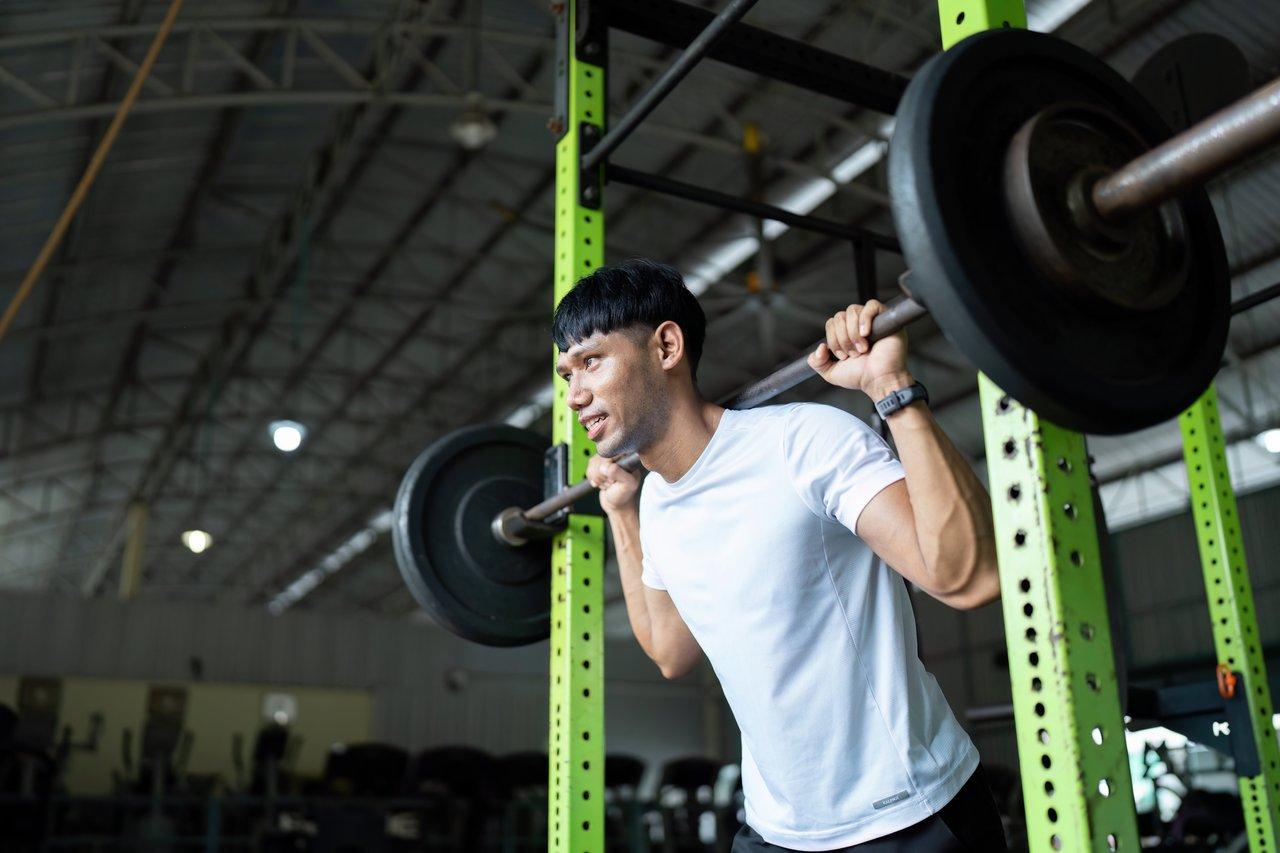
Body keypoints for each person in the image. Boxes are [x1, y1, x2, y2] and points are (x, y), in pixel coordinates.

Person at [553, 258, 1007, 852]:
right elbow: (671, 652)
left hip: (907, 814)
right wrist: (621, 513)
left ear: (666, 346)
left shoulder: (804, 442)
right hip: (775, 831)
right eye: (566, 374)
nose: (575, 395)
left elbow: (968, 578)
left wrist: (891, 390)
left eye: (591, 361)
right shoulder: (659, 504)